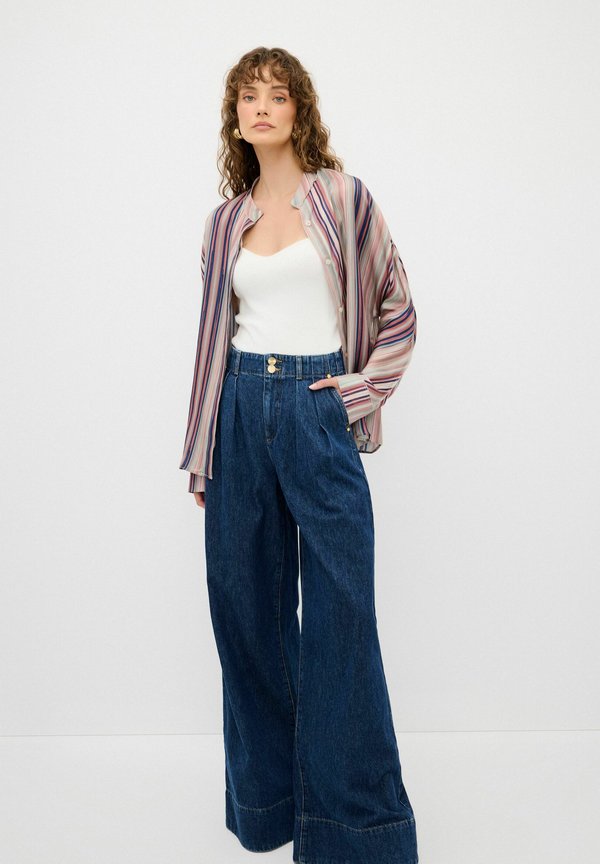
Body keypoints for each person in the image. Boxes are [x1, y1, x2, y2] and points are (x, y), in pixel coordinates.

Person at [179, 46, 419, 864]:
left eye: (277, 95)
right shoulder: (224, 221)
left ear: (298, 110)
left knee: (342, 620)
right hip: (240, 411)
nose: (261, 107)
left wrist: (355, 393)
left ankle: (355, 836)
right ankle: (272, 807)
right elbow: (211, 342)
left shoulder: (344, 199)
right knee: (245, 613)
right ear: (235, 117)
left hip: (318, 409)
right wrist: (203, 448)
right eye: (248, 96)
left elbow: (398, 309)